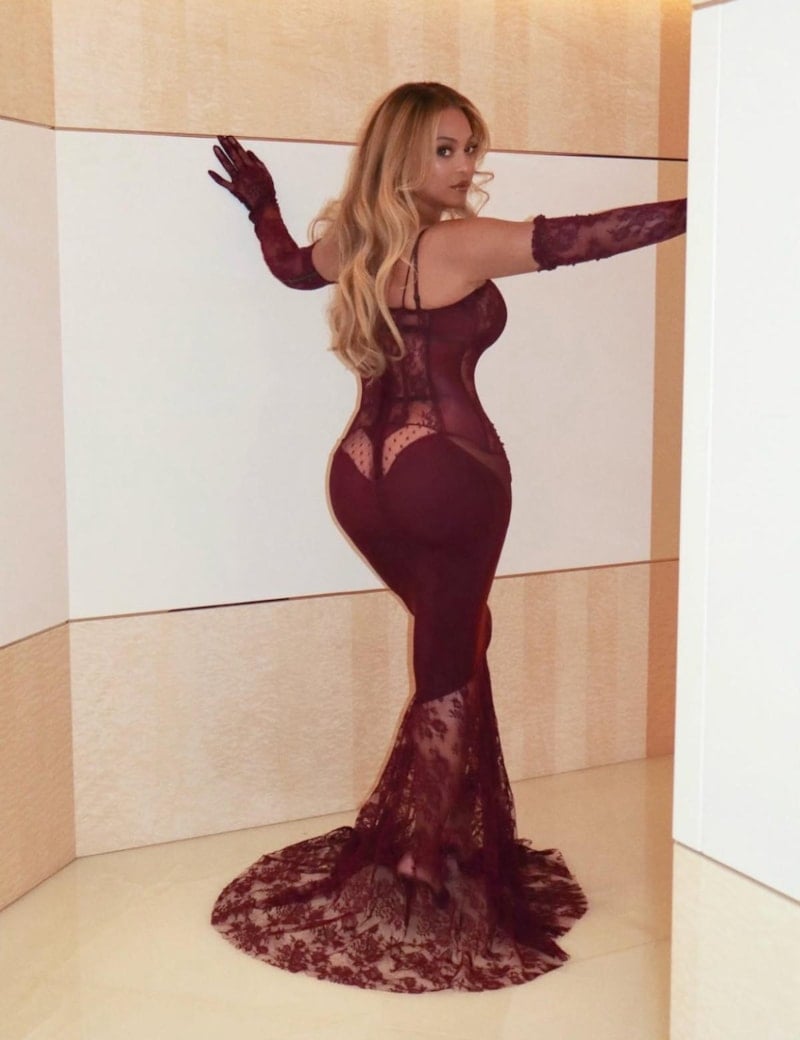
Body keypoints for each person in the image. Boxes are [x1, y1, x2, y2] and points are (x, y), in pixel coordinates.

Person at [207, 81, 686, 994]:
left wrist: (263, 204)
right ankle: (423, 860)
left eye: (471, 149)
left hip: (359, 475)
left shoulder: (355, 240)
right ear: (404, 155)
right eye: (446, 150)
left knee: (459, 640)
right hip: (447, 474)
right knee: (447, 668)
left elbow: (291, 268)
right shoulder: (460, 244)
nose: (466, 166)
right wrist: (717, 200)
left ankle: (434, 836)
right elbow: (590, 236)